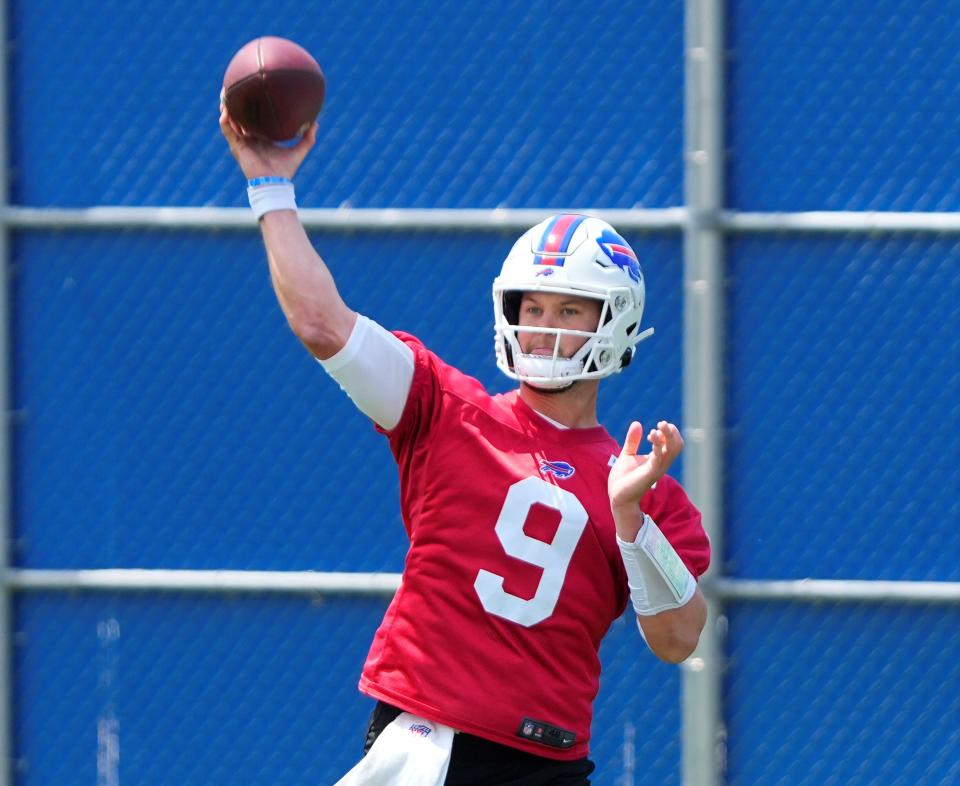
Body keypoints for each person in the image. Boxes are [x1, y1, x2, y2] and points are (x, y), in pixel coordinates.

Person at [220, 110, 711, 786]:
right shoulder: (446, 410)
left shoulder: (642, 483)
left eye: (568, 311)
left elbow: (679, 640)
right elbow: (321, 322)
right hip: (428, 744)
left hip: (548, 764)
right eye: (531, 308)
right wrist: (270, 189)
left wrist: (631, 525)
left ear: (614, 321)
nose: (543, 330)